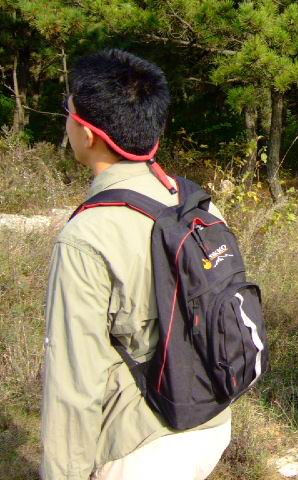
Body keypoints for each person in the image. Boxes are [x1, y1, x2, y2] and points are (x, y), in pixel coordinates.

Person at [41, 49, 231, 479]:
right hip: (212, 422)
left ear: (86, 133)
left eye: (67, 111)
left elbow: (73, 381)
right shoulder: (196, 203)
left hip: (141, 446)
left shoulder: (86, 237)